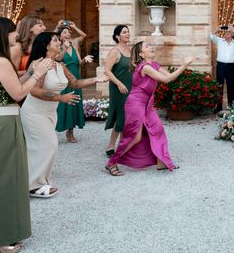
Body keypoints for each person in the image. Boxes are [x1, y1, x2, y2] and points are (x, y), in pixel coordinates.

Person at [0, 16, 51, 252]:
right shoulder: (0, 61)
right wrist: (38, 74)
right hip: (3, 124)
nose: (15, 34)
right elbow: (18, 94)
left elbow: (10, 85)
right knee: (4, 183)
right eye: (11, 30)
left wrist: (29, 72)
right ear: (2, 34)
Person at [22, 32, 107, 198]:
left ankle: (39, 181)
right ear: (46, 45)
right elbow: (34, 90)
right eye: (55, 40)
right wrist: (62, 97)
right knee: (50, 144)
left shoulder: (59, 64)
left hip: (49, 112)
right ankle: (34, 186)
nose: (59, 42)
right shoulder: (41, 64)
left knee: (44, 147)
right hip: (34, 112)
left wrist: (97, 79)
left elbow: (75, 83)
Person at [105, 42, 194, 176]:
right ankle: (112, 163)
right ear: (141, 54)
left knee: (158, 129)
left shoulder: (154, 65)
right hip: (135, 104)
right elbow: (167, 80)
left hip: (147, 105)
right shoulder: (145, 67)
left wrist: (183, 65)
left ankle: (162, 162)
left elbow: (170, 76)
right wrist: (185, 65)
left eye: (150, 45)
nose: (151, 47)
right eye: (147, 47)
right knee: (135, 137)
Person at [54, 22, 93, 143]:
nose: (68, 34)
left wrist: (85, 60)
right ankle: (52, 130)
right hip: (63, 78)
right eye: (64, 32)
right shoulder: (57, 47)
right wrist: (64, 46)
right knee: (63, 105)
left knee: (74, 103)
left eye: (69, 32)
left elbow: (79, 63)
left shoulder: (74, 44)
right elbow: (58, 59)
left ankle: (70, 132)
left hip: (76, 78)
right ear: (59, 36)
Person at [104, 24, 132, 157]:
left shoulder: (130, 50)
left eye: (128, 32)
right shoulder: (115, 51)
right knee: (120, 116)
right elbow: (107, 71)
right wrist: (119, 84)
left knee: (127, 116)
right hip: (118, 88)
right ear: (117, 36)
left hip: (130, 87)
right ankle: (110, 145)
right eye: (124, 32)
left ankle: (122, 144)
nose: (127, 34)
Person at [210, 25, 234, 113]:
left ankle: (231, 107)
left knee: (230, 86)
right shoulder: (220, 41)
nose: (227, 33)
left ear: (232, 34)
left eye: (229, 32)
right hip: (220, 66)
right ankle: (219, 107)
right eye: (226, 31)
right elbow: (211, 36)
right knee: (219, 86)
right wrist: (217, 29)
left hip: (231, 67)